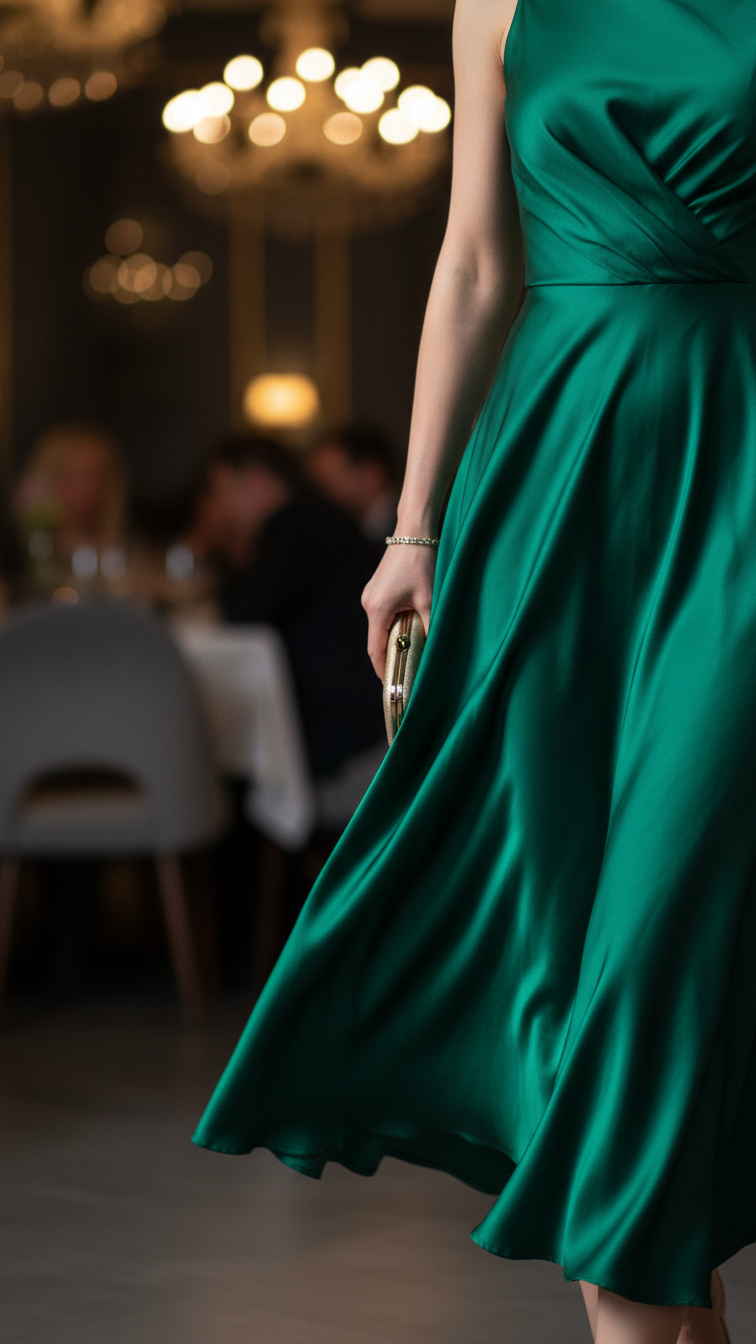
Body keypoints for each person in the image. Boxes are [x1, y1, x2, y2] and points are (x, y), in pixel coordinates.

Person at [193, 2, 755, 1341]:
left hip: (739, 463)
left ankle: (635, 1284)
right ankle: (654, 1289)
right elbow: (472, 271)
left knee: (660, 932)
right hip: (555, 481)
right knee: (571, 944)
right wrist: (413, 529)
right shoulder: (496, 4)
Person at [188, 433, 385, 786]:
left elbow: (242, 610)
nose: (221, 508)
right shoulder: (318, 519)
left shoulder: (297, 522)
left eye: (223, 490)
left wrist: (216, 548)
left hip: (345, 735)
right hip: (358, 716)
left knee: (214, 751)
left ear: (258, 482)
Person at [306, 425, 399, 547]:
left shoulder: (407, 529)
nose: (324, 495)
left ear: (371, 474)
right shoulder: (360, 529)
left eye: (330, 481)